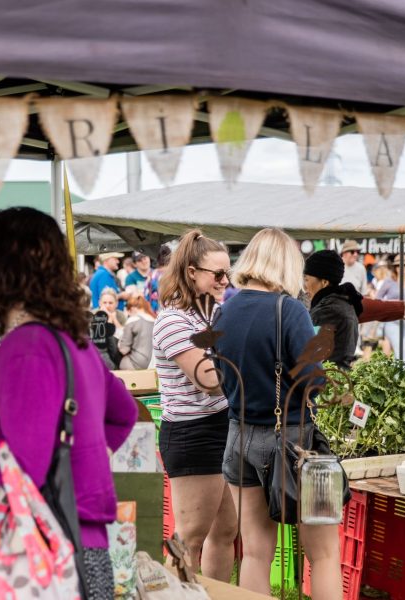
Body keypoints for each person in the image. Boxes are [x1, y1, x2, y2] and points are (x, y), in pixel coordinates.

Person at [0, 207, 138, 598]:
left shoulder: (27, 347)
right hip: (87, 547)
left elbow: (23, 473)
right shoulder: (73, 344)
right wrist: (77, 463)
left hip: (40, 553)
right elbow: (124, 414)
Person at [213, 228, 340, 597]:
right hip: (298, 442)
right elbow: (313, 383)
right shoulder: (291, 310)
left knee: (254, 551)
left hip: (239, 436)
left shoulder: (224, 311)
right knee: (325, 553)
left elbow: (219, 374)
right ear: (287, 264)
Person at [151, 229, 238, 582]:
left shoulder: (215, 313)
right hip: (193, 434)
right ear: (191, 273)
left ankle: (214, 593)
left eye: (227, 273)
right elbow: (209, 379)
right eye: (217, 274)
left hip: (221, 425)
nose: (224, 281)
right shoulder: (174, 320)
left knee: (226, 530)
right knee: (189, 539)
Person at [304, 250, 363, 370]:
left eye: (307, 280)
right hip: (338, 379)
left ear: (324, 282)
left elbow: (308, 355)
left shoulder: (327, 311)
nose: (305, 286)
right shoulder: (343, 302)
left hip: (327, 382)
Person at [375, 264, 405, 362]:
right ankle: (400, 376)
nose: (401, 268)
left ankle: (394, 373)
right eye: (398, 266)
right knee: (401, 351)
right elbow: (377, 299)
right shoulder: (389, 281)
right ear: (395, 268)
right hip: (392, 320)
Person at [118, 296, 156, 370]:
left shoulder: (132, 320)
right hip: (154, 363)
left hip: (137, 363)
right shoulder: (154, 320)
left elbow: (123, 350)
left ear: (131, 309)